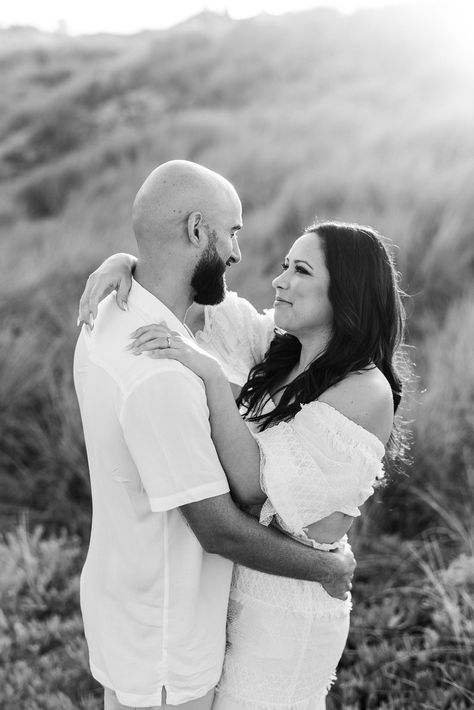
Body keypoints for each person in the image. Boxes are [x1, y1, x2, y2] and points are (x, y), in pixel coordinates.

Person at [79, 210, 407, 708]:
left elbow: (256, 486)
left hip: (286, 608)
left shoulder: (365, 390)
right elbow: (190, 294)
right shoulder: (279, 347)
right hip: (236, 587)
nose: (279, 281)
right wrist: (128, 262)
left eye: (302, 271)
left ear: (349, 292)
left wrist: (212, 378)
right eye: (285, 265)